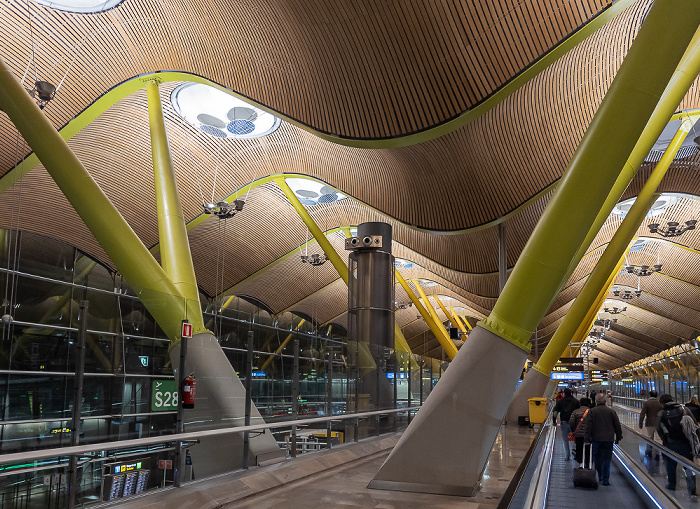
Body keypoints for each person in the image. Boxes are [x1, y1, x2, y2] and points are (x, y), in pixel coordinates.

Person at [657, 394, 697, 495]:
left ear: (662, 403)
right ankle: (692, 487)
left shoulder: (661, 413)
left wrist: (665, 439)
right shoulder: (684, 409)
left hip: (670, 442)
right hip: (685, 442)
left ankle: (671, 484)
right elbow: (694, 423)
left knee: (670, 465)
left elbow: (658, 428)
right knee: (688, 465)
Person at [583, 393, 622, 486]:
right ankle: (606, 479)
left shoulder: (592, 411)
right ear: (605, 401)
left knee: (597, 458)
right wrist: (618, 437)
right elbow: (617, 426)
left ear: (596, 401)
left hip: (596, 439)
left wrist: (586, 438)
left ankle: (599, 476)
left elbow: (588, 426)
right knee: (607, 459)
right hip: (608, 439)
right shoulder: (611, 412)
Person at [552, 388, 580, 461]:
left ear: (564, 393)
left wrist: (554, 421)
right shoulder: (576, 401)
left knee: (565, 439)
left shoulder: (560, 402)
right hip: (574, 423)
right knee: (575, 438)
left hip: (564, 422)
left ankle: (567, 456)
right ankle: (575, 453)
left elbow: (555, 412)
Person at [639, 390, 663, 457]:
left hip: (650, 422)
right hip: (658, 423)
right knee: (658, 438)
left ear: (649, 395)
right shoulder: (660, 403)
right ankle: (658, 453)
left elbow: (642, 414)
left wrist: (640, 423)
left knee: (650, 437)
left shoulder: (647, 403)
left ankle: (649, 451)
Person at [569, 397, 591, 465]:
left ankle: (580, 463)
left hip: (578, 434)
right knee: (588, 450)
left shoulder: (575, 411)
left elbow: (571, 422)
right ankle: (587, 463)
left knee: (579, 448)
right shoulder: (591, 412)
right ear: (589, 404)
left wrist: (573, 430)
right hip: (588, 435)